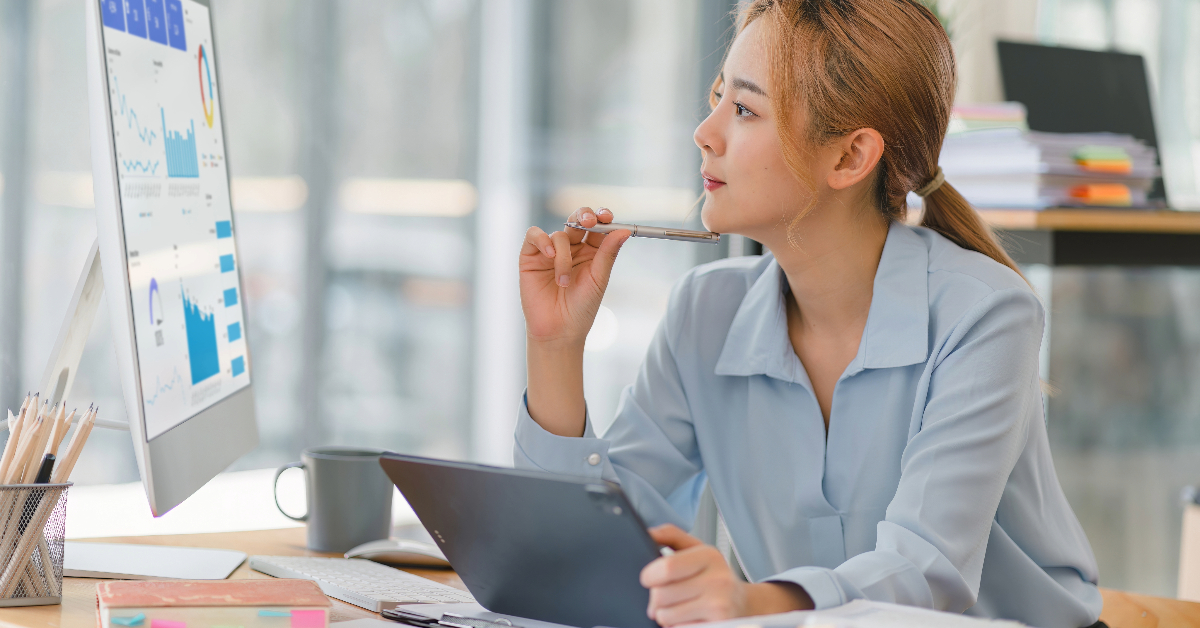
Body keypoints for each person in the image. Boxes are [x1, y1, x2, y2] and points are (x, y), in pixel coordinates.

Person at [514, 1, 1102, 626]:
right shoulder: (705, 311)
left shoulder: (986, 314)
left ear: (850, 157)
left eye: (743, 109)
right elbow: (590, 548)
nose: (704, 133)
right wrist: (556, 347)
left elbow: (925, 570)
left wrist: (749, 603)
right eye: (717, 98)